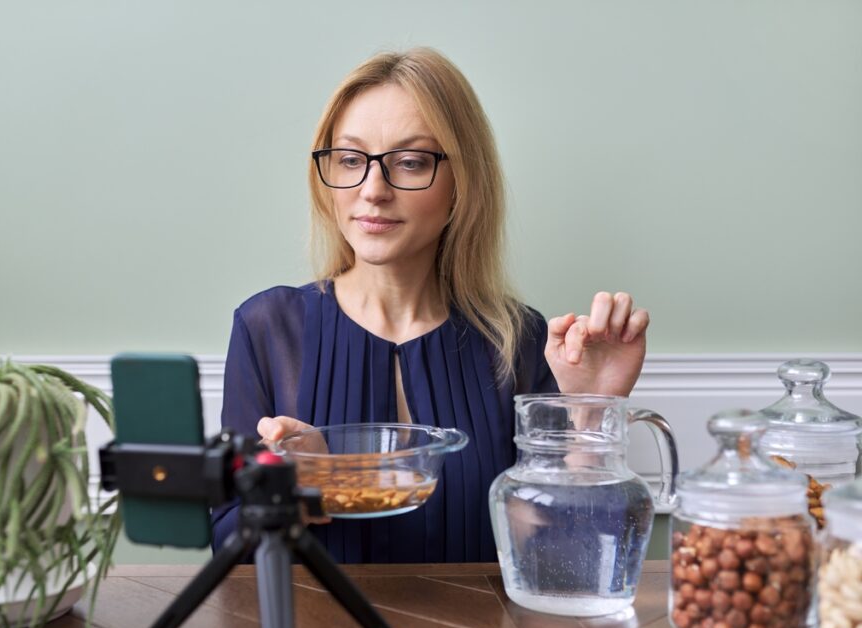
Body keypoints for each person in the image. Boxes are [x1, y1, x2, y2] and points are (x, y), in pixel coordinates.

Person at [211, 47, 649, 563]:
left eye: (411, 162)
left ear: (462, 183)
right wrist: (295, 487)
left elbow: (564, 553)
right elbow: (225, 543)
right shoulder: (269, 328)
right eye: (351, 160)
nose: (372, 190)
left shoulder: (517, 339)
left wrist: (591, 415)